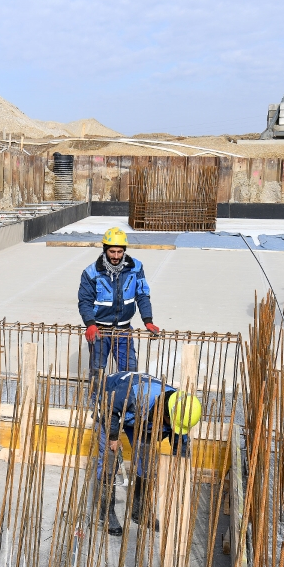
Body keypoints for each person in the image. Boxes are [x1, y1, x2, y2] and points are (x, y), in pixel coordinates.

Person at [97, 370, 202, 534]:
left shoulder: (180, 409)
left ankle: (139, 511)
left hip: (141, 416)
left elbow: (180, 441)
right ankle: (105, 513)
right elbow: (109, 409)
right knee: (109, 459)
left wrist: (181, 462)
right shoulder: (132, 394)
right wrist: (113, 437)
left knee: (146, 459)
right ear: (166, 412)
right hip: (111, 404)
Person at [78, 227, 158, 383]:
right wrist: (90, 324)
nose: (116, 256)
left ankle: (126, 403)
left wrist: (147, 320)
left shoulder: (136, 268)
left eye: (119, 252)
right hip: (99, 330)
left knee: (129, 372)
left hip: (123, 329)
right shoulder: (91, 272)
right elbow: (85, 301)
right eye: (112, 252)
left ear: (124, 251)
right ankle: (97, 404)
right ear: (105, 250)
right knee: (97, 372)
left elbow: (142, 295)